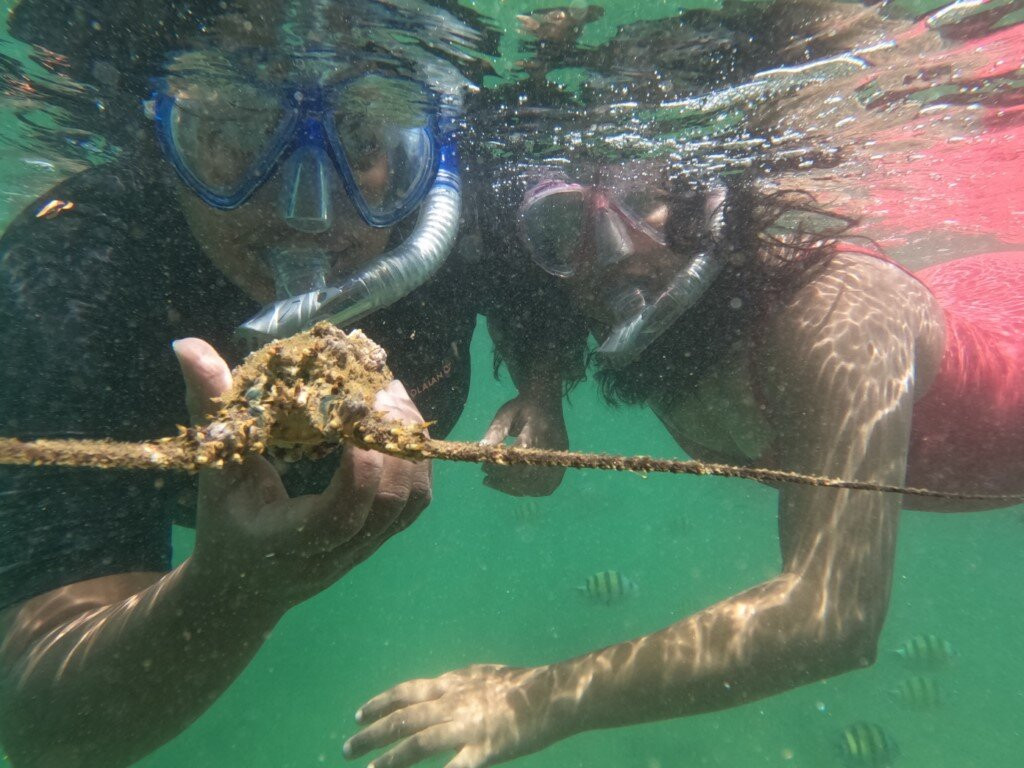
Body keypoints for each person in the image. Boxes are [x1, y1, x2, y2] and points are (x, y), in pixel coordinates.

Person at [0, 2, 580, 766]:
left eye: (365, 142)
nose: (308, 213)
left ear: (425, 162)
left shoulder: (468, 221)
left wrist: (542, 391)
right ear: (164, 140)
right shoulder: (76, 270)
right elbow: (42, 726)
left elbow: (532, 290)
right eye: (236, 133)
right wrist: (230, 592)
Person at [342, 154, 1024, 767]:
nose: (609, 250)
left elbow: (832, 617)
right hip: (972, 293)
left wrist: (542, 698)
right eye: (565, 222)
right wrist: (541, 397)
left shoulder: (834, 316)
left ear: (707, 202)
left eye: (644, 203)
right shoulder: (618, 287)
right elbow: (529, 300)